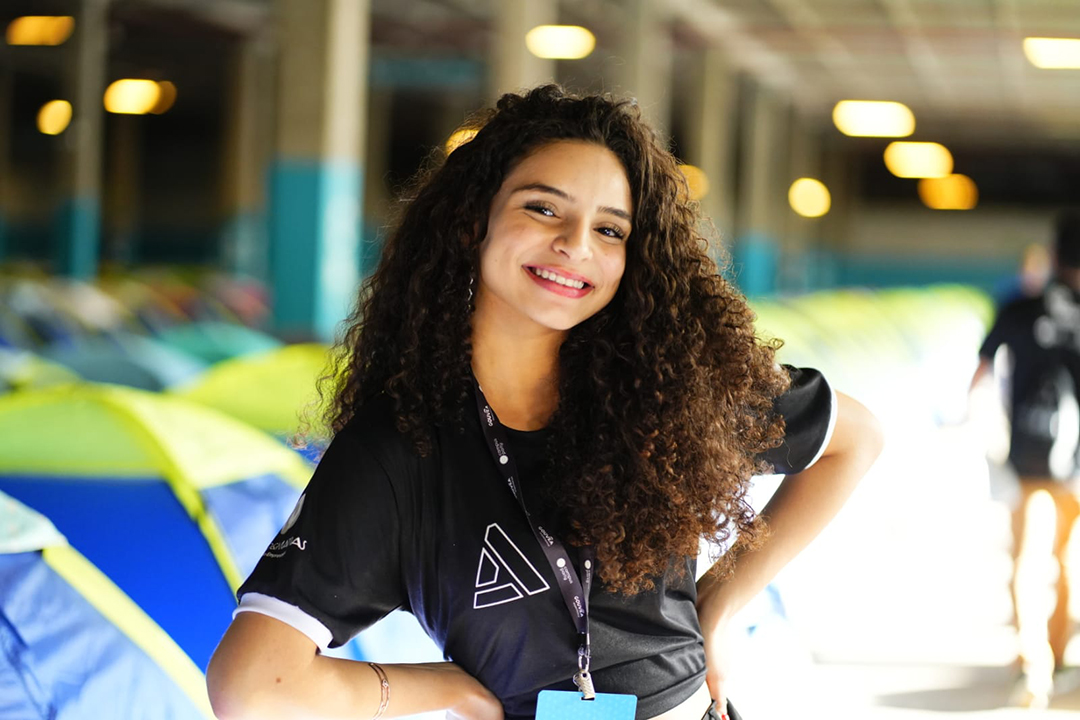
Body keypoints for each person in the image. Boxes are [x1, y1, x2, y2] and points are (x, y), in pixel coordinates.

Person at [206, 85, 883, 720]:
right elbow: (252, 684)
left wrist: (724, 600)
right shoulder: (400, 448)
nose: (575, 246)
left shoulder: (667, 394)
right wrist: (436, 688)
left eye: (611, 230)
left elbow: (856, 439)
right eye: (543, 207)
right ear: (474, 224)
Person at [971, 210, 1080, 708]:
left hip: (1031, 454)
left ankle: (1031, 667)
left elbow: (981, 374)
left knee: (1027, 559)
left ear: (1054, 255)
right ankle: (1058, 661)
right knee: (1068, 562)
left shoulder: (1020, 307)